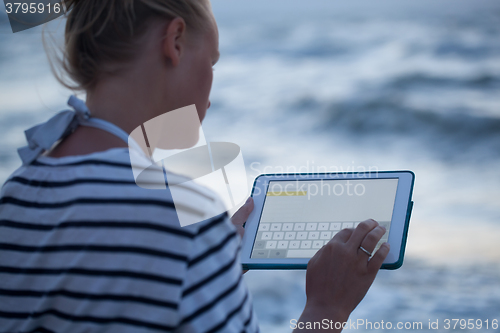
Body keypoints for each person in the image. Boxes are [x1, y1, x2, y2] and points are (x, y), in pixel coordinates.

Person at [0, 0, 390, 332]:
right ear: (175, 41)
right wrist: (326, 309)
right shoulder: (177, 215)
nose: (211, 90)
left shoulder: (17, 191)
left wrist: (210, 271)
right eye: (212, 62)